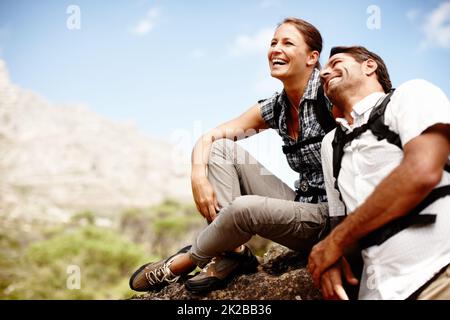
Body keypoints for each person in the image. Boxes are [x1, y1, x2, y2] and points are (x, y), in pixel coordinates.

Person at [129, 17, 335, 294]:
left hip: (331, 218)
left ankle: (183, 262)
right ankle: (233, 252)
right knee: (219, 149)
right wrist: (197, 175)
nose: (275, 49)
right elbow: (210, 137)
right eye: (273, 42)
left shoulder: (331, 94)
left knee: (243, 208)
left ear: (312, 57)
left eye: (287, 43)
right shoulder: (277, 107)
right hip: (301, 205)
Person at [307, 46, 450, 300]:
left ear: (369, 66)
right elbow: (339, 221)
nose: (324, 73)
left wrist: (333, 243)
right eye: (323, 73)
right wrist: (330, 259)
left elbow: (422, 172)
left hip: (440, 274)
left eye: (335, 62)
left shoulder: (411, 94)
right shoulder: (330, 145)